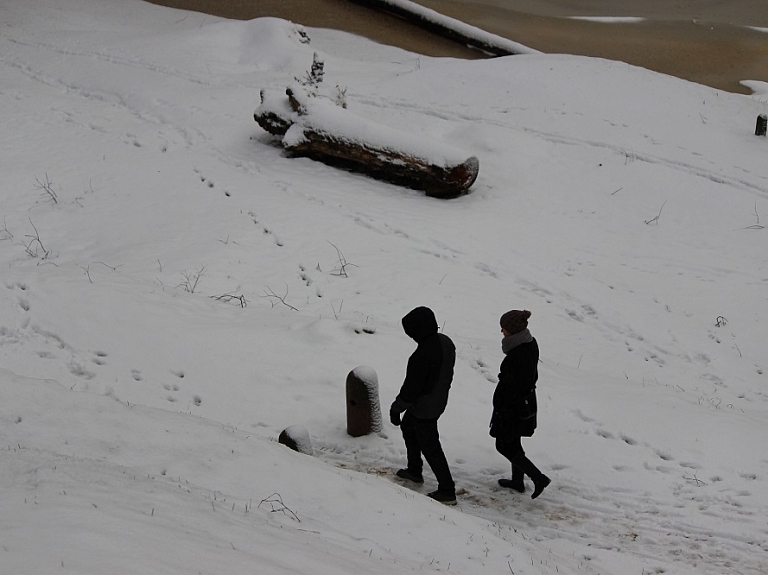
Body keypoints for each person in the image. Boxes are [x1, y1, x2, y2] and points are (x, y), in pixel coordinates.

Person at [390, 306, 457, 505]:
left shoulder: (421, 356)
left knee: (431, 447)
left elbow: (411, 389)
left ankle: (447, 490)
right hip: (438, 399)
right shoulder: (445, 342)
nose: (411, 338)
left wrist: (396, 408)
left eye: (411, 333)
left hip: (425, 407)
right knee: (408, 428)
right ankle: (414, 470)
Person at [490, 310, 551, 499]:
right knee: (513, 442)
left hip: (512, 407)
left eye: (505, 328)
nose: (501, 331)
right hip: (522, 403)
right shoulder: (528, 343)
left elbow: (515, 384)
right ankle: (518, 481)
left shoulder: (519, 352)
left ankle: (538, 478)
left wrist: (503, 406)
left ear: (514, 331)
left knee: (504, 445)